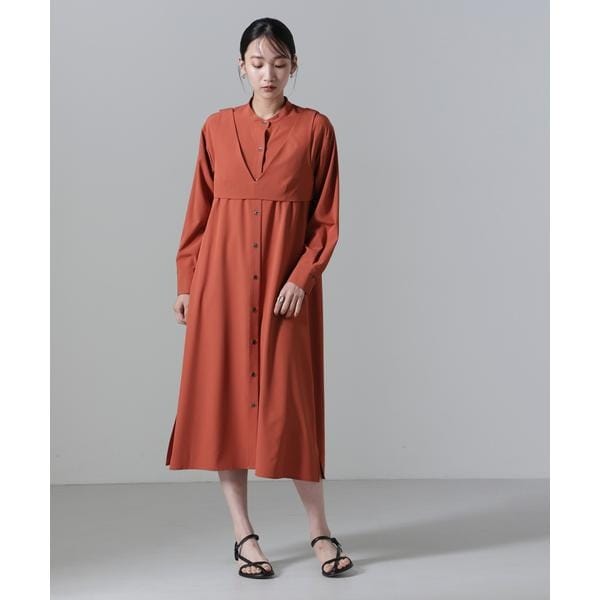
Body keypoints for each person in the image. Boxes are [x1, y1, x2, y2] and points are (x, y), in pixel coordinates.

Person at [166, 17, 354, 578]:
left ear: (294, 66)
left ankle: (319, 530)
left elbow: (326, 221)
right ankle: (243, 535)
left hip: (283, 290)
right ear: (241, 67)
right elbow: (198, 213)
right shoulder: (215, 127)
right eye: (257, 62)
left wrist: (302, 278)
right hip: (220, 287)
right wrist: (186, 283)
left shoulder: (316, 129)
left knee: (291, 407)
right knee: (225, 404)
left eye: (279, 62)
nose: (268, 73)